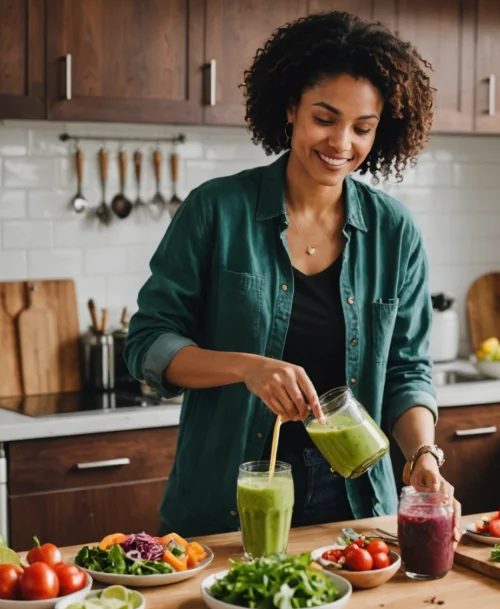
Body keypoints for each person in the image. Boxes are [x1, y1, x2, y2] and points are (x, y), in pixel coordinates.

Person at [125, 10, 461, 544]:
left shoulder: (394, 232)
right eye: (324, 119)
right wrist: (247, 369)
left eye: (362, 128)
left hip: (354, 502)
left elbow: (407, 371)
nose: (341, 143)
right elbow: (146, 346)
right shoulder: (216, 210)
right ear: (289, 109)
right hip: (225, 497)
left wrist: (423, 453)